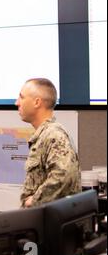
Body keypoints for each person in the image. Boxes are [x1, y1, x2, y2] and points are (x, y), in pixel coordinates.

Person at [15, 78, 81, 208]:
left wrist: (34, 201)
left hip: (50, 223)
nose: (16, 103)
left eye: (21, 97)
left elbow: (64, 175)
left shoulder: (53, 135)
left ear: (37, 102)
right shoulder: (45, 135)